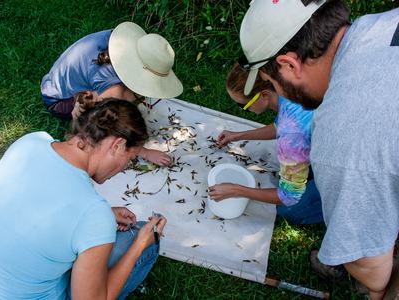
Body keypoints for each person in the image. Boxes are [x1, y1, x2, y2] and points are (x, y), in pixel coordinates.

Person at [239, 0, 399, 298]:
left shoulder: (342, 135)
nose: (280, 92)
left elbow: (370, 268)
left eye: (272, 81)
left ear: (289, 64)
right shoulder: (377, 24)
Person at [0, 94, 167, 299]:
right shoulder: (93, 214)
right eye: (130, 159)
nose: (124, 168)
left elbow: (38, 202)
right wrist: (141, 244)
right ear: (117, 146)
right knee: (141, 235)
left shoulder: (32, 141)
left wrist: (106, 214)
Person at [41, 21, 183, 166]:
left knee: (125, 99)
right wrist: (144, 152)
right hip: (58, 99)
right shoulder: (112, 86)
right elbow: (108, 123)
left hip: (57, 80)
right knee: (112, 116)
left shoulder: (120, 43)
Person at [208, 63, 323, 225]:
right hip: (337, 142)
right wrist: (239, 135)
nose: (242, 110)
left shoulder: (291, 133)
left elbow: (289, 197)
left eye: (243, 106)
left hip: (350, 170)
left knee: (290, 211)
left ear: (264, 95)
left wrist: (237, 190)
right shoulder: (288, 87)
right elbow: (279, 126)